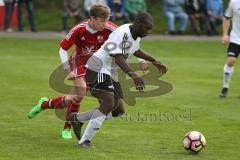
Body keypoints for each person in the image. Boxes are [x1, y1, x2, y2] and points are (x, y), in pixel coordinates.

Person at [27, 4, 148, 140]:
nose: (105, 24)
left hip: (101, 66)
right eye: (102, 21)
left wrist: (140, 60)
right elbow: (63, 48)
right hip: (80, 62)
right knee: (79, 95)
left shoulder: (111, 28)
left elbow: (129, 41)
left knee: (110, 105)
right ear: (92, 19)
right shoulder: (79, 29)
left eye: (107, 20)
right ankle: (68, 127)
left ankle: (44, 104)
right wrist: (68, 70)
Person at [68, 11, 168, 148]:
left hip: (110, 71)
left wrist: (154, 60)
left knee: (118, 110)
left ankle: (77, 119)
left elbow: (136, 50)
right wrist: (134, 75)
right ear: (138, 24)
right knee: (108, 102)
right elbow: (118, 56)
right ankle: (85, 140)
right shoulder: (122, 33)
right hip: (97, 67)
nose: (148, 32)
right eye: (147, 28)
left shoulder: (136, 35)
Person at [219, 0, 240, 98]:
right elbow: (227, 18)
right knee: (231, 61)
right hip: (236, 37)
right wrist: (225, 34)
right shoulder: (234, 2)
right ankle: (225, 86)